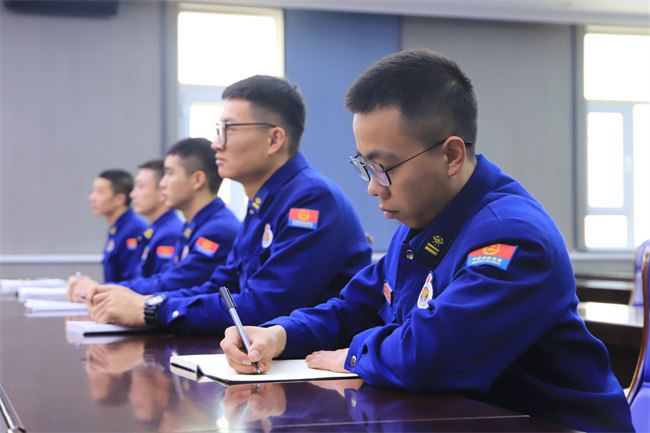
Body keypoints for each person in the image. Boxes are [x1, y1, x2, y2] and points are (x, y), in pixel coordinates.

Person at [220, 49, 634, 432]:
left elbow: (431, 356)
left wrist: (353, 355)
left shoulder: (512, 236)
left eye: (383, 168)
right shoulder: (421, 224)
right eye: (365, 167)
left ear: (451, 156)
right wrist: (280, 335)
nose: (373, 187)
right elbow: (353, 309)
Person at [85, 75, 373, 335]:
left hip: (313, 368)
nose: (216, 144)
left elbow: (264, 306)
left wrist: (151, 310)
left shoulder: (310, 199)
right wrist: (149, 302)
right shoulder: (265, 203)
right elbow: (221, 287)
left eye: (228, 129)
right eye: (218, 130)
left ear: (273, 139)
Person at [68, 138, 240, 302]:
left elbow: (173, 284)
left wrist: (102, 290)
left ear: (197, 180)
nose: (163, 184)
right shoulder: (193, 226)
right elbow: (164, 277)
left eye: (169, 174)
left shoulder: (217, 230)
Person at [86, 169, 147, 283]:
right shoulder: (116, 227)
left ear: (119, 199)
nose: (92, 198)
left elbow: (133, 277)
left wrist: (99, 289)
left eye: (100, 192)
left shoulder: (135, 229)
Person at [129, 159, 183, 278]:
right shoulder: (154, 230)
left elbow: (161, 283)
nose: (133, 194)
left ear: (163, 192)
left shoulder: (170, 234)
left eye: (140, 186)